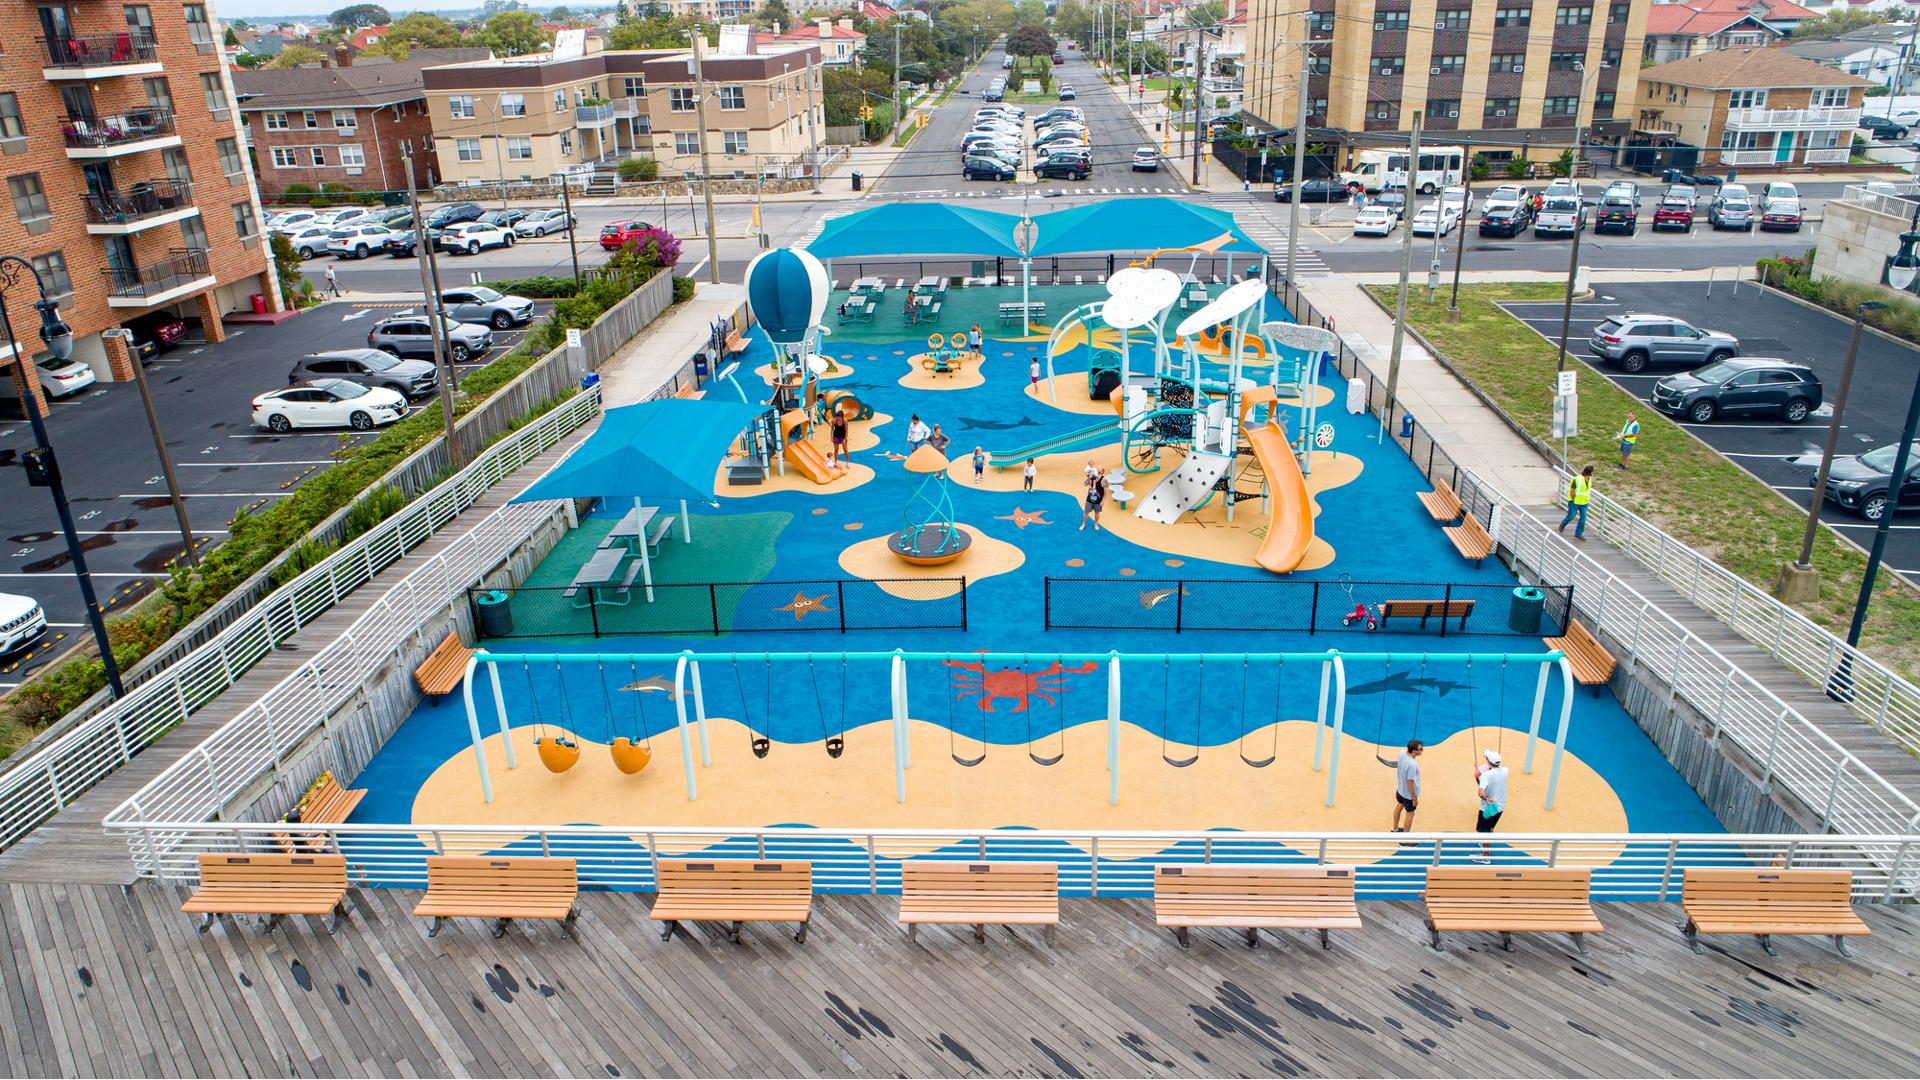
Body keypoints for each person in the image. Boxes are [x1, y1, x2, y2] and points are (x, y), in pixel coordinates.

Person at [1472, 749, 1509, 862]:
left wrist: (1485, 797)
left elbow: (1480, 792)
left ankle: (1485, 856)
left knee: (1483, 831)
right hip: (1500, 806)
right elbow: (1497, 769)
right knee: (1491, 827)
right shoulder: (1506, 770)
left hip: (1487, 808)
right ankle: (1485, 844)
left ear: (1488, 761)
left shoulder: (1486, 775)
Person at [1391, 740, 1423, 834]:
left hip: (1400, 790)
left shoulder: (1402, 753)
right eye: (1420, 749)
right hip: (1408, 795)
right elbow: (1410, 782)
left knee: (1399, 806)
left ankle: (1395, 829)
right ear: (1413, 751)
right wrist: (1414, 798)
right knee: (1410, 814)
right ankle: (1404, 839)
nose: (1422, 750)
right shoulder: (1412, 765)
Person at [1558, 465, 1594, 541]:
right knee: (1571, 516)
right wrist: (1574, 499)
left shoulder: (1589, 479)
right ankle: (1563, 524)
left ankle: (1578, 534)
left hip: (1584, 502)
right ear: (1589, 473)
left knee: (1583, 518)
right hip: (1574, 501)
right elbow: (1572, 491)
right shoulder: (1577, 479)